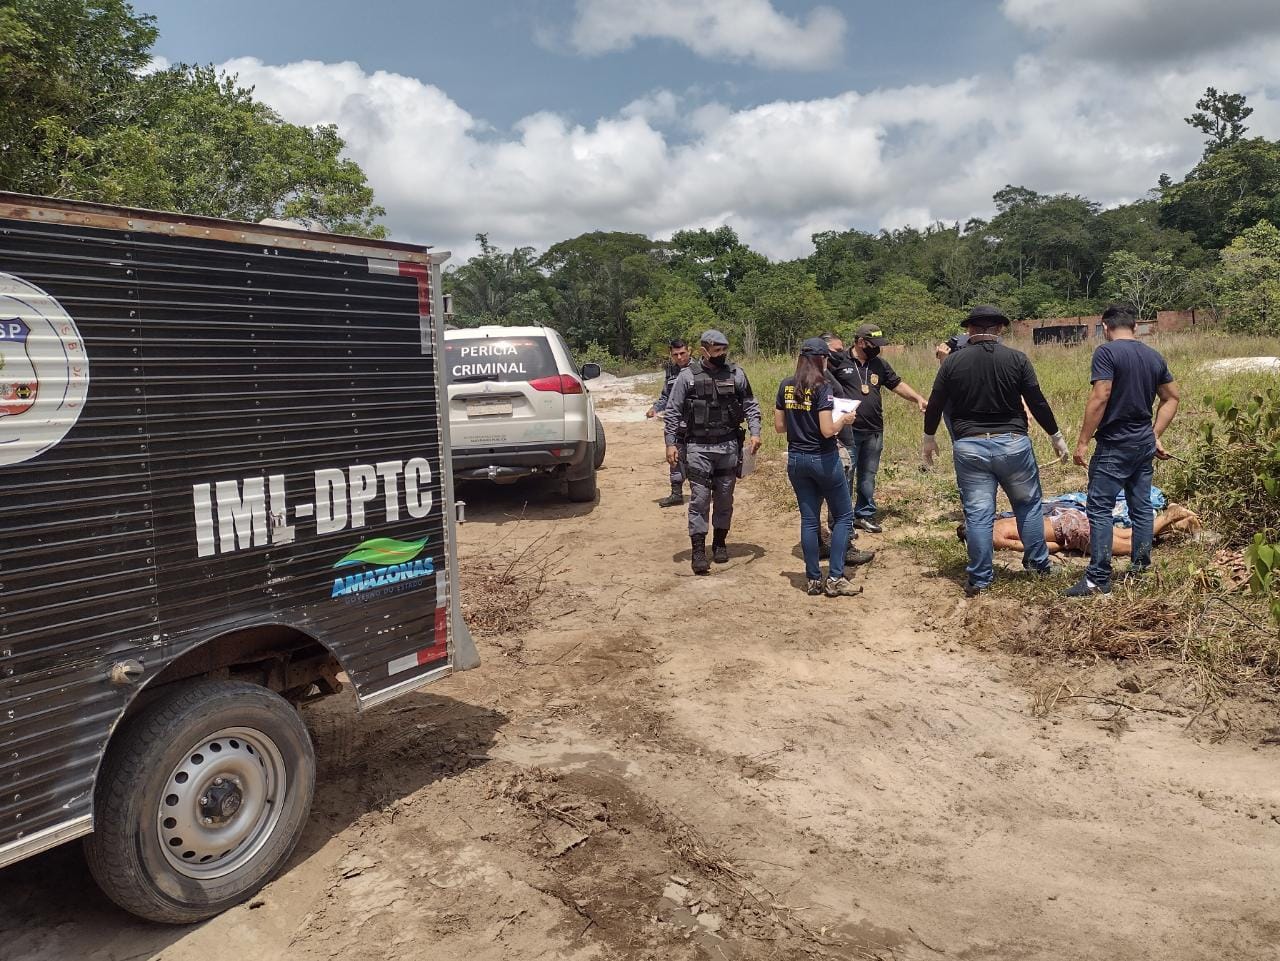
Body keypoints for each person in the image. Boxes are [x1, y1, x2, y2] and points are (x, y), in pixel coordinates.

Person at [922, 305, 1071, 596]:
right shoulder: (1016, 359)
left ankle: (980, 578)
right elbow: (1037, 401)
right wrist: (1055, 435)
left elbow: (936, 401)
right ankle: (1038, 565)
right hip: (1013, 443)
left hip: (969, 446)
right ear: (1000, 329)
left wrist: (929, 438)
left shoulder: (952, 363)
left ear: (969, 330)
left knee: (978, 515)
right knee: (1027, 507)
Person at [1065, 305, 1181, 597]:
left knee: (1099, 507)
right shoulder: (1153, 356)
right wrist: (1154, 435)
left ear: (1104, 327)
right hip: (1142, 444)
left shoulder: (1107, 353)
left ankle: (1098, 578)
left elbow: (1101, 395)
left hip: (1115, 444)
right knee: (1140, 507)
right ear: (1135, 326)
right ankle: (1141, 568)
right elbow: (1172, 398)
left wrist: (1082, 441)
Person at [664, 330, 763, 574]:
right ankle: (698, 550)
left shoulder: (736, 374)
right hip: (698, 446)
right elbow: (673, 411)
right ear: (704, 351)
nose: (721, 355)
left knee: (724, 497)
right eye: (716, 351)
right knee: (699, 498)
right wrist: (670, 443)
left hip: (728, 446)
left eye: (723, 351)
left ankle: (719, 543)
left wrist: (755, 432)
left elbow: (750, 404)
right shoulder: (687, 377)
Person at [774, 337, 862, 596]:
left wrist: (801, 424)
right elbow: (827, 430)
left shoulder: (786, 386)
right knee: (844, 516)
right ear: (821, 359)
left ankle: (813, 578)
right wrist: (844, 420)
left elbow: (780, 427)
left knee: (809, 519)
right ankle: (835, 577)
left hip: (796, 459)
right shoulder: (822, 387)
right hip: (823, 459)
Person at [827, 324, 928, 533]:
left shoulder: (879, 364)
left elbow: (897, 384)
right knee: (845, 475)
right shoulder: (839, 361)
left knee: (868, 475)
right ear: (861, 341)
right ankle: (842, 522)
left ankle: (864, 514)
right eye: (873, 344)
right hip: (847, 431)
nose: (877, 348)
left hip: (874, 430)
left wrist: (917, 398)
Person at [966, 503, 1200, 555]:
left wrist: (1058, 547)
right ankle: (1175, 524)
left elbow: (1028, 545)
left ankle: (1171, 514)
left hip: (1067, 530)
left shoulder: (994, 537)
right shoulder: (996, 522)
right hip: (1069, 516)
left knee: (1131, 547)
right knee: (1126, 534)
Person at [647, 338, 692, 507]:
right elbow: (666, 396)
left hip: (697, 423)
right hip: (676, 422)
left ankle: (702, 493)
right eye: (676, 354)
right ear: (671, 354)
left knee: (697, 459)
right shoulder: (671, 371)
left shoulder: (700, 369)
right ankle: (676, 493)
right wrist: (655, 408)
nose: (680, 357)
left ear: (690, 351)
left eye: (683, 353)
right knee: (675, 456)